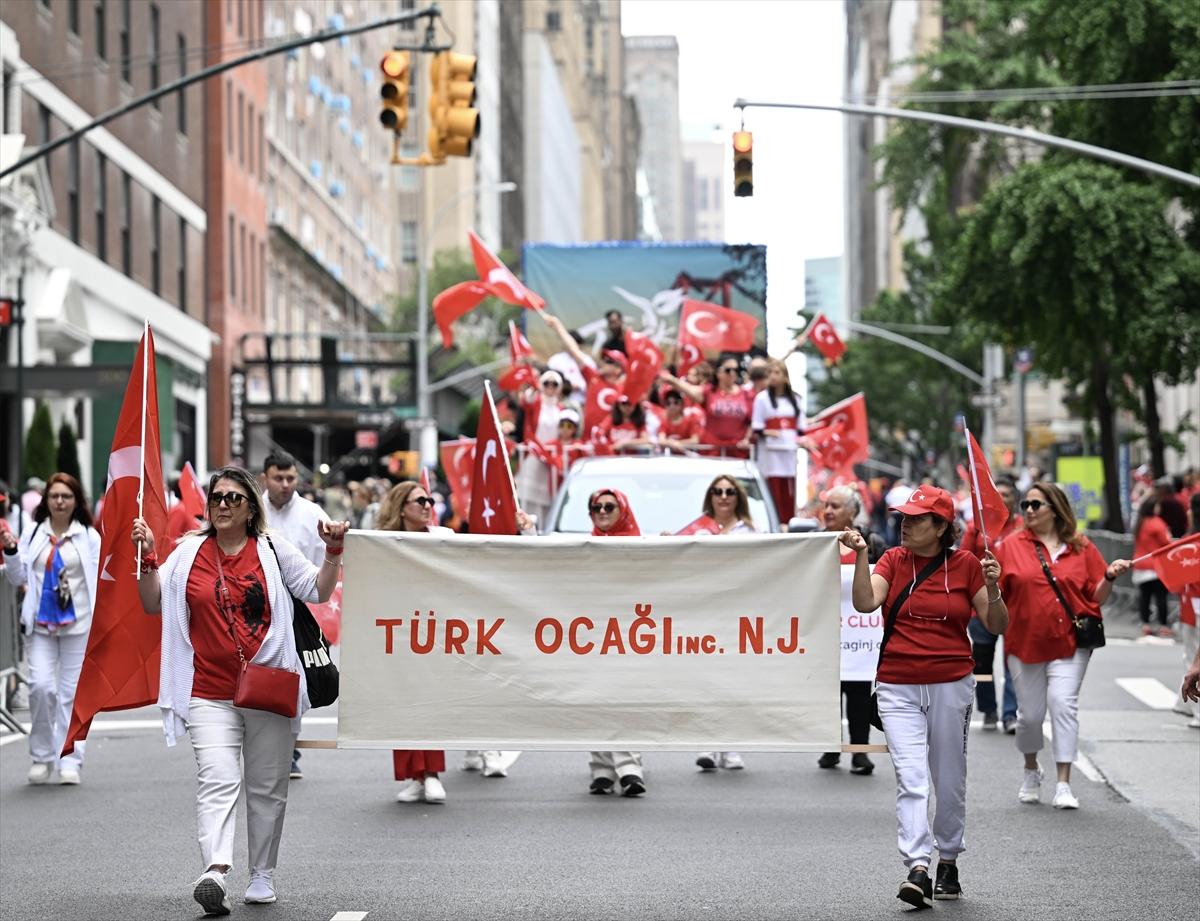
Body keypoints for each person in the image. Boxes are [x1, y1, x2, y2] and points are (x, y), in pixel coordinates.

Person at [132, 464, 348, 913]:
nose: (223, 505)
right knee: (217, 779)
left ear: (251, 508)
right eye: (216, 498)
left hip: (269, 685)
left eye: (233, 498)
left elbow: (317, 590)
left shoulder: (271, 547)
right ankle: (215, 870)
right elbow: (153, 602)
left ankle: (263, 875)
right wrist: (148, 557)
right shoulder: (187, 552)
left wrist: (332, 552)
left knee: (268, 787)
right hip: (208, 691)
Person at [841, 485, 1007, 908]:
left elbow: (997, 623)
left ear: (941, 528)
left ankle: (948, 856)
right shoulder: (894, 560)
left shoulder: (968, 565)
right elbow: (864, 602)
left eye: (916, 519)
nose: (906, 525)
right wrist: (863, 554)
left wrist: (995, 588)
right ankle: (918, 865)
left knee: (949, 778)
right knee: (911, 777)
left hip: (952, 683)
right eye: (903, 518)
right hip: (897, 685)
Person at [996, 481, 1130, 812]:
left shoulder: (1082, 547)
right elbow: (995, 594)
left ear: (1055, 510)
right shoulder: (1010, 546)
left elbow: (1094, 597)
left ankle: (1063, 783)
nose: (1028, 509)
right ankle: (1031, 769)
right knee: (1029, 717)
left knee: (1062, 703)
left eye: (1035, 505)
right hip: (1024, 642)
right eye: (1025, 504)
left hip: (1071, 642)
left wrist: (1109, 578)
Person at [1, 473, 101, 786]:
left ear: (76, 501)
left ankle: (70, 758)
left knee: (71, 695)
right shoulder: (32, 533)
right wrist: (12, 551)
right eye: (54, 496)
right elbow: (18, 578)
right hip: (41, 626)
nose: (60, 502)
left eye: (66, 496)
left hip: (78, 624)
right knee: (41, 688)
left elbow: (99, 580)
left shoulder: (89, 536)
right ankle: (41, 756)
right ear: (46, 500)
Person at [375, 480, 469, 801]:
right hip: (398, 631)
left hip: (435, 630)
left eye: (429, 500)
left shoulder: (444, 537)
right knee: (403, 704)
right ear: (402, 508)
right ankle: (413, 776)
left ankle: (432, 773)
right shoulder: (383, 542)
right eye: (419, 501)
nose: (428, 506)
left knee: (431, 702)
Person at [260, 450, 330, 780]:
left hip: (298, 608)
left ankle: (288, 750)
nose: (285, 485)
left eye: (290, 478)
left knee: (294, 679)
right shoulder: (251, 510)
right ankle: (259, 746)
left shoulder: (313, 514)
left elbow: (325, 570)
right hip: (255, 607)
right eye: (279, 478)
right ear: (265, 478)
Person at [817, 485, 886, 775]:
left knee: (859, 693)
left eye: (836, 506)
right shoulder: (815, 543)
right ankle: (830, 747)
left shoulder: (872, 542)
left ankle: (860, 752)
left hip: (860, 638)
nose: (829, 511)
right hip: (826, 633)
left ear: (853, 512)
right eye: (827, 506)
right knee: (828, 694)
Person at [693, 476, 756, 773]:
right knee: (705, 680)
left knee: (734, 680)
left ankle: (731, 746)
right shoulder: (696, 528)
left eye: (729, 491)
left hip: (738, 613)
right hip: (705, 612)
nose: (723, 496)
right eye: (717, 491)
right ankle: (707, 742)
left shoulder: (752, 532)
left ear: (737, 497)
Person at [586, 488, 646, 797]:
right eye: (596, 507)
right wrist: (529, 531)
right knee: (596, 698)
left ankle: (630, 766)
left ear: (622, 510)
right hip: (593, 634)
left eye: (610, 506)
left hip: (631, 633)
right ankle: (601, 768)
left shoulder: (641, 546)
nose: (603, 512)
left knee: (625, 697)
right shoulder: (584, 547)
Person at [959, 475, 1022, 731]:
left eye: (1007, 495)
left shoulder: (1022, 529)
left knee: (1013, 663)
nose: (1003, 499)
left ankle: (1010, 713)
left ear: (1014, 500)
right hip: (981, 608)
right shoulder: (976, 527)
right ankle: (989, 709)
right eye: (999, 495)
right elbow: (962, 561)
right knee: (982, 664)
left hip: (1016, 607)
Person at [660, 356, 754, 456]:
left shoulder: (746, 394)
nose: (732, 373)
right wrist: (672, 380)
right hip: (712, 451)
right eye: (728, 370)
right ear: (718, 372)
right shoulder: (709, 392)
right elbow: (690, 389)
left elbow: (753, 422)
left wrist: (747, 439)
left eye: (736, 370)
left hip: (737, 452)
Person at [751, 359, 803, 522]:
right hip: (769, 455)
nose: (772, 377)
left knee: (789, 494)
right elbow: (756, 427)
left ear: (785, 376)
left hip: (789, 455)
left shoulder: (796, 399)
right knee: (772, 493)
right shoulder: (762, 398)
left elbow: (801, 429)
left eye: (776, 373)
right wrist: (768, 432)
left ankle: (788, 523)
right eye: (770, 373)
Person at [1131, 497, 1173, 638]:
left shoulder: (1140, 523)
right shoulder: (1157, 523)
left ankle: (1145, 624)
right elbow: (1166, 541)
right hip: (1155, 567)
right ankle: (1163, 625)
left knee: (1145, 597)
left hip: (1140, 564)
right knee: (1161, 597)